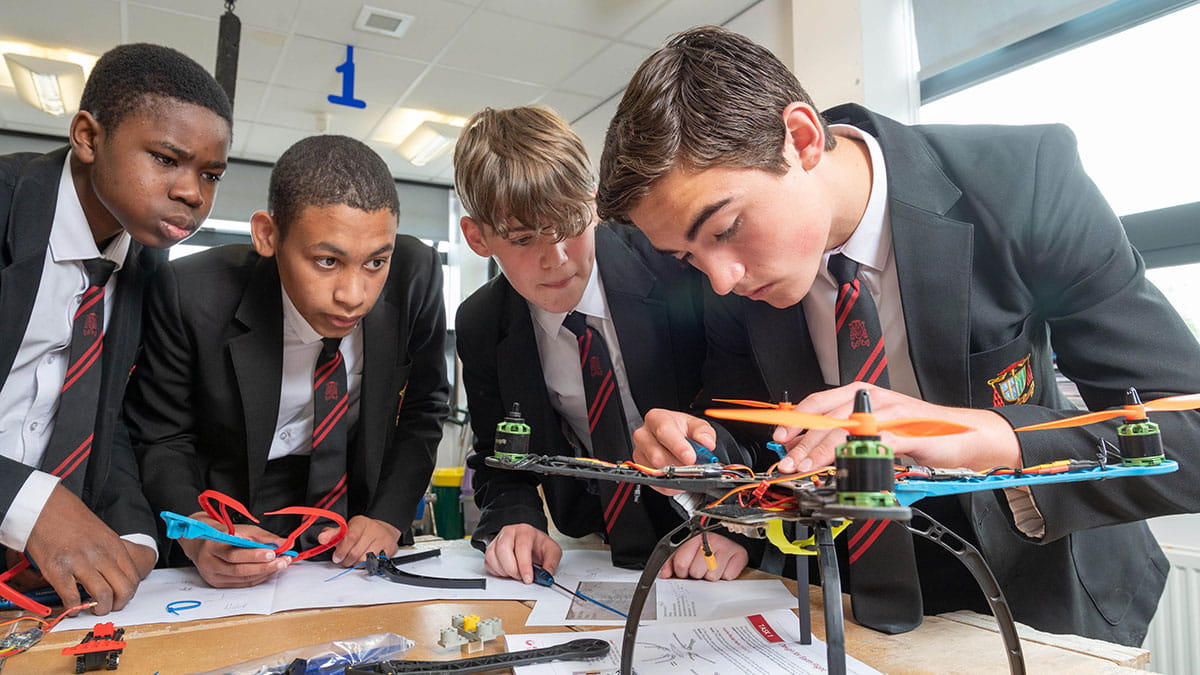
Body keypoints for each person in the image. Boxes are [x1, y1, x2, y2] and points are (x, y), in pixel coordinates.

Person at [594, 25, 1200, 646]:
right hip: (851, 608)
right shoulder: (734, 279)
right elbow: (756, 442)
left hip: (1045, 591)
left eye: (725, 228)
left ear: (801, 139)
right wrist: (702, 454)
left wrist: (970, 434)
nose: (720, 281)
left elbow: (1190, 432)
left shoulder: (1025, 180)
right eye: (687, 256)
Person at [126, 135, 449, 588]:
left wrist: (388, 518)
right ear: (268, 235)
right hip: (230, 508)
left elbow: (423, 408)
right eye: (327, 261)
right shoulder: (190, 294)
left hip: (357, 517)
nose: (353, 296)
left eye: (375, 263)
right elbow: (162, 436)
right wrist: (199, 533)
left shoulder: (415, 273)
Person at [454, 106, 753, 585]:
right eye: (524, 239)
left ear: (592, 203)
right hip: (597, 540)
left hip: (718, 534)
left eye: (571, 224)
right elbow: (500, 457)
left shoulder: (678, 266)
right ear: (477, 237)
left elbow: (744, 409)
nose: (556, 258)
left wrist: (733, 520)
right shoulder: (482, 323)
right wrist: (516, 519)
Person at [0, 43, 232, 614]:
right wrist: (28, 502)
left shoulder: (146, 261)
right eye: (166, 159)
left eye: (210, 174)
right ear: (88, 136)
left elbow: (108, 417)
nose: (192, 193)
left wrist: (135, 534)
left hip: (34, 580)